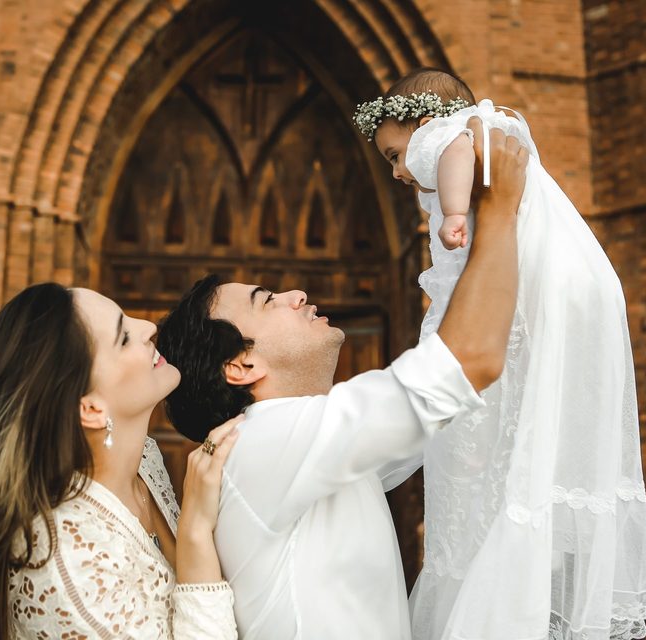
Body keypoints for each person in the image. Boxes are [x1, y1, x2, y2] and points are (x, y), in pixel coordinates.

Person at [157, 124, 529, 638]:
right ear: (241, 366)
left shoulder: (301, 448)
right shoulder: (266, 438)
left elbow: (450, 399)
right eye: (268, 300)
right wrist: (500, 210)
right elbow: (468, 362)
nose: (295, 294)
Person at [357, 67, 646, 639]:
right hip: (581, 285)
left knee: (496, 406)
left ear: (422, 122)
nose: (399, 170)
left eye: (395, 153)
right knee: (539, 399)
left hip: (535, 285)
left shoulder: (446, 138)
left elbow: (452, 153)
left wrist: (452, 212)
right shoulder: (503, 125)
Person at [0, 284, 240, 639]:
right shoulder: (67, 566)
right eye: (123, 337)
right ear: (90, 408)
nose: (149, 327)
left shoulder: (143, 460)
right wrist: (196, 531)